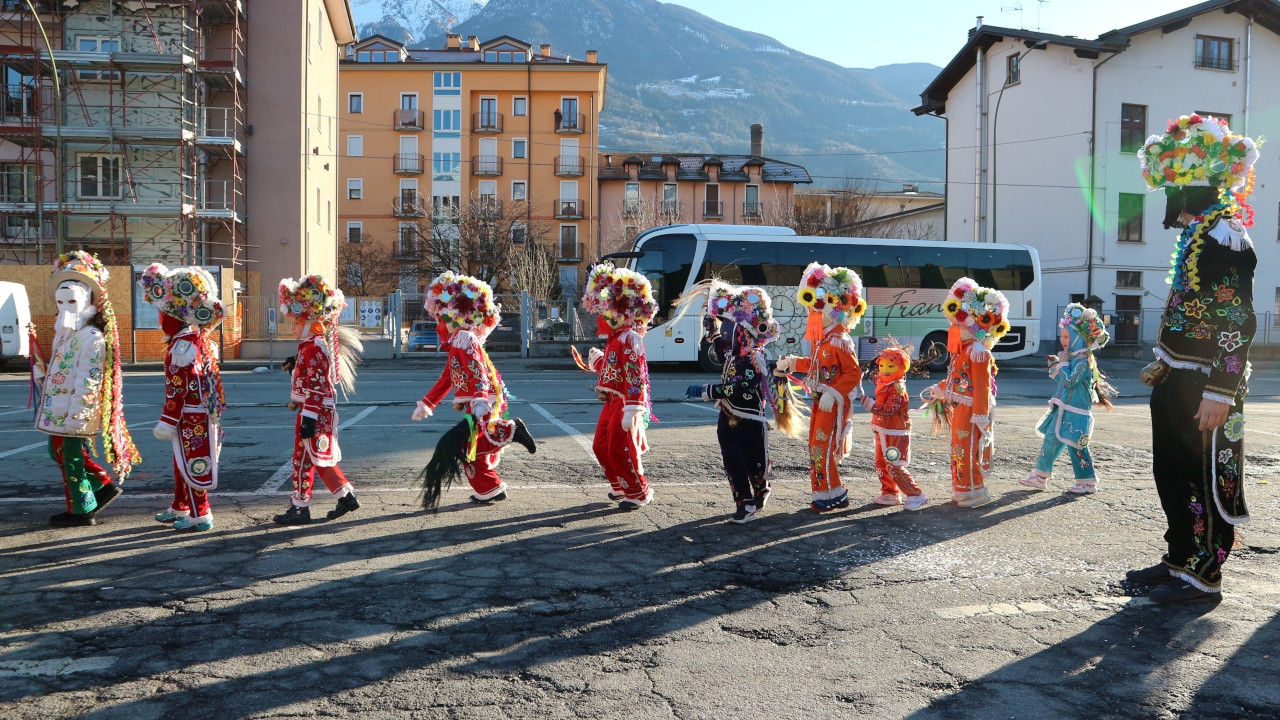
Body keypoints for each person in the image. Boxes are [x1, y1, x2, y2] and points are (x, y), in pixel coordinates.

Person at [1127, 114, 1260, 604]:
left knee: (1203, 476)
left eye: (1175, 191)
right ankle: (1180, 555)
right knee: (1172, 469)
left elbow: (1238, 318)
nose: (1169, 202)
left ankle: (1206, 572)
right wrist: (1165, 358)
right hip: (1179, 377)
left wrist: (1221, 390)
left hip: (1209, 386)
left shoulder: (1227, 235)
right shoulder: (1198, 233)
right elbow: (1187, 310)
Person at [679, 281, 805, 523]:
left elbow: (739, 387)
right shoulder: (734, 353)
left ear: (744, 332)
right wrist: (712, 334)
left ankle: (761, 489)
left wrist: (708, 390)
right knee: (731, 460)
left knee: (755, 465)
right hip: (727, 415)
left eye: (729, 329)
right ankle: (744, 504)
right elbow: (721, 350)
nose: (726, 332)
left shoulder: (754, 358)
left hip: (750, 420)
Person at [34, 251, 139, 527]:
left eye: (72, 301)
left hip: (75, 410)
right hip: (59, 408)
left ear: (87, 301)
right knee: (57, 452)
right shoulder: (67, 334)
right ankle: (102, 485)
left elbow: (88, 379)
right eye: (60, 301)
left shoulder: (92, 337)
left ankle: (81, 509)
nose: (66, 307)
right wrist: (43, 376)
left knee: (69, 456)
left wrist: (79, 414)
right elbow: (64, 374)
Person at [414, 271, 536, 507]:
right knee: (470, 450)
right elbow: (447, 378)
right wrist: (426, 404)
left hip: (484, 398)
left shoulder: (464, 338)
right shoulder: (459, 340)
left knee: (473, 445)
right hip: (477, 400)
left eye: (439, 318)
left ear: (453, 316)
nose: (438, 325)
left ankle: (512, 430)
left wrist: (480, 400)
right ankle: (490, 489)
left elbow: (477, 370)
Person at [775, 262, 867, 513]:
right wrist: (795, 362)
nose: (812, 310)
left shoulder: (840, 339)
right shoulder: (825, 338)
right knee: (817, 447)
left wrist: (834, 392)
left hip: (831, 403)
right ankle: (830, 492)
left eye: (819, 304)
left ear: (834, 307)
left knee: (821, 447)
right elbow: (817, 365)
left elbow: (853, 372)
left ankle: (831, 494)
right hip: (821, 400)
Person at [140, 264, 226, 532]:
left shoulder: (182, 345)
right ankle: (180, 505)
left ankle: (201, 513)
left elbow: (178, 388)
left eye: (163, 314)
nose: (160, 320)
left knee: (192, 460)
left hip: (191, 415)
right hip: (198, 413)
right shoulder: (195, 338)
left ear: (174, 318)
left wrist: (167, 419)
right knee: (182, 459)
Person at [274, 274, 363, 525]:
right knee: (318, 457)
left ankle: (300, 508)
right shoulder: (310, 346)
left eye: (295, 323)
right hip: (316, 410)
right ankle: (345, 496)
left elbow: (316, 385)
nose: (292, 328)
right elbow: (312, 378)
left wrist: (308, 418)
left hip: (314, 412)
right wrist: (294, 368)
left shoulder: (313, 347)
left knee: (303, 460)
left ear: (308, 324)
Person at [921, 277, 1010, 508]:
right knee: (960, 449)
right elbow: (957, 379)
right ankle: (964, 489)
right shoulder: (965, 350)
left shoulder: (979, 351)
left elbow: (982, 386)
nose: (953, 330)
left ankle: (974, 490)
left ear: (972, 326)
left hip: (971, 411)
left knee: (969, 449)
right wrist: (940, 389)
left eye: (956, 326)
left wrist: (980, 416)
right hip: (962, 408)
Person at [581, 262, 659, 510]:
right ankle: (620, 485)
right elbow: (616, 368)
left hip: (625, 402)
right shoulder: (618, 337)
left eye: (609, 310)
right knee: (600, 446)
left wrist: (634, 409)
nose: (604, 315)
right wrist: (598, 362)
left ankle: (638, 491)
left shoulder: (630, 337)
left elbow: (635, 376)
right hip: (613, 400)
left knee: (620, 447)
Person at [1021, 303, 1116, 494]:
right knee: (1050, 441)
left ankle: (1087, 482)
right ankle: (1040, 476)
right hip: (1063, 407)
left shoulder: (1083, 360)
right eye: (1062, 336)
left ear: (1078, 338)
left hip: (1076, 412)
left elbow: (1071, 380)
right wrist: (1056, 365)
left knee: (1077, 448)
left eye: (1066, 336)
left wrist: (1062, 364)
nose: (1063, 340)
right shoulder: (1073, 358)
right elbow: (1064, 381)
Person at [861, 343, 927, 510]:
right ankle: (890, 493)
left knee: (894, 464)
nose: (884, 370)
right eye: (882, 365)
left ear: (901, 367)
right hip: (882, 429)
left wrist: (871, 405)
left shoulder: (897, 387)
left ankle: (916, 494)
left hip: (896, 432)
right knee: (882, 463)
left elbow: (891, 409)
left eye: (890, 366)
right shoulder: (884, 382)